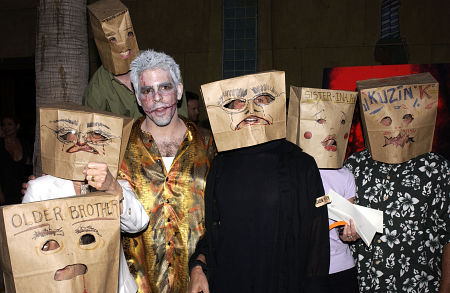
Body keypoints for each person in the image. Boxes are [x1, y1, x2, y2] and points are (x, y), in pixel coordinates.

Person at [188, 71, 330, 293]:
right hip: (229, 281)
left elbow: (317, 239)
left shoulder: (301, 165)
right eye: (237, 103)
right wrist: (198, 266)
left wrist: (315, 288)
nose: (250, 110)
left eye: (262, 100)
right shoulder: (220, 165)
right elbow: (215, 231)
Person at [20, 104, 149, 293]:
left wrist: (112, 188)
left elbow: (139, 223)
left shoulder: (115, 183)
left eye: (95, 134)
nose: (82, 141)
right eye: (71, 132)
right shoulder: (40, 188)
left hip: (115, 286)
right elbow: (25, 248)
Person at [118, 50, 214, 293]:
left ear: (179, 91)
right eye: (147, 91)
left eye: (165, 87)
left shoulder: (209, 144)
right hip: (135, 284)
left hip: (198, 282)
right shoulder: (118, 146)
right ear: (138, 99)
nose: (157, 98)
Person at [345, 74, 449, 292]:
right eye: (385, 119)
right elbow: (343, 218)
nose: (396, 127)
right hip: (366, 285)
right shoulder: (355, 165)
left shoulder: (436, 168)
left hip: (420, 286)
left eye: (408, 117)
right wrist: (343, 232)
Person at [286, 86, 360, 293]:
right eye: (320, 121)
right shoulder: (288, 172)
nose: (330, 131)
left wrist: (350, 233)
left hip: (341, 268)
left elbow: (345, 226)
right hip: (301, 269)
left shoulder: (345, 176)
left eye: (339, 122)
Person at [0, 116, 33, 205]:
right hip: (5, 189)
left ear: (17, 126)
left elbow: (29, 167)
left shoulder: (24, 143)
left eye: (9, 124)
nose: (6, 127)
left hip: (22, 188)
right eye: (3, 125)